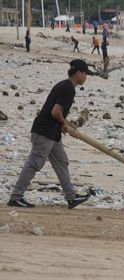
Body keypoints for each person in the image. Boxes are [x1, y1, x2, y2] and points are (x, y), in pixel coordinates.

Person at [7, 59, 94, 209]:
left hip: (52, 133)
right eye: (85, 74)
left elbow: (56, 111)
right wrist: (63, 124)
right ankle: (16, 197)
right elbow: (55, 112)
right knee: (35, 163)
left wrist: (65, 124)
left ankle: (71, 197)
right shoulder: (68, 88)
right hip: (45, 131)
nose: (86, 77)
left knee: (61, 162)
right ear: (79, 73)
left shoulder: (65, 85)